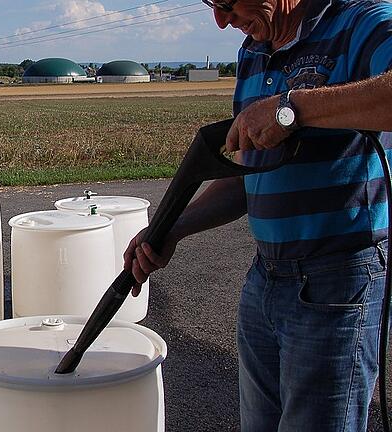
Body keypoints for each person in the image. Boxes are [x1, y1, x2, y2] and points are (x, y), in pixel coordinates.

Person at [125, 0, 392, 430]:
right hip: (265, 278)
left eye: (229, 2)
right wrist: (174, 227)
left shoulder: (362, 22)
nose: (221, 20)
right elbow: (248, 177)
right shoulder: (254, 51)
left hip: (338, 281)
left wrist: (293, 108)